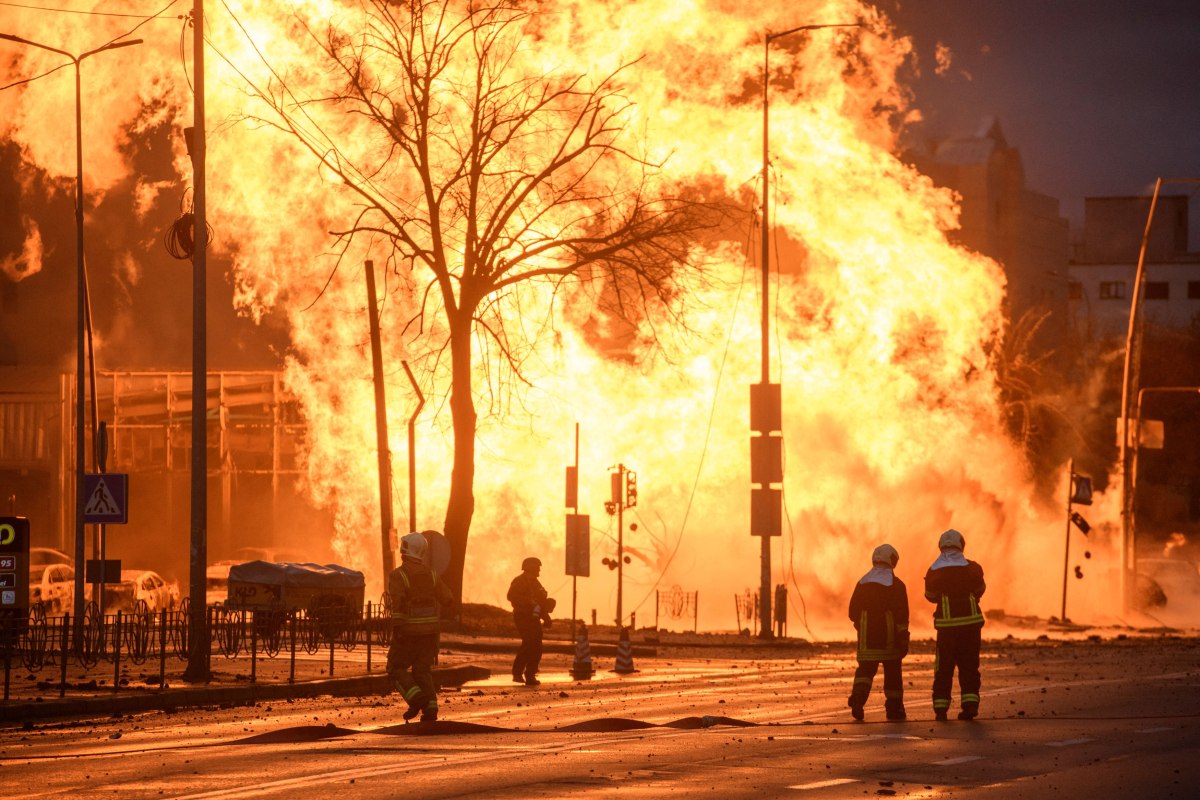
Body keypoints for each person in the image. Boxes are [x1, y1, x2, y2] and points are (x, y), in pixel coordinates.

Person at [387, 531, 456, 723]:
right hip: (430, 635)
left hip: (408, 633)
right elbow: (448, 598)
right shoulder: (432, 574)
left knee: (395, 668)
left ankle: (415, 698)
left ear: (404, 550)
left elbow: (398, 603)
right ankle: (431, 709)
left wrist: (398, 628)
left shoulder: (398, 575)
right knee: (422, 670)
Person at [924, 528, 986, 721]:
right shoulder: (973, 567)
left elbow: (930, 596)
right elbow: (980, 590)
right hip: (971, 626)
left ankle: (941, 709)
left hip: (947, 628)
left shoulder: (934, 570)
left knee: (944, 667)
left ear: (941, 546)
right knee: (969, 666)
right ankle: (970, 706)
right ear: (962, 545)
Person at [847, 543, 909, 721]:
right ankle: (894, 710)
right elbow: (902, 614)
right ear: (892, 562)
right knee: (893, 674)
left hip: (866, 640)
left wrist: (862, 625)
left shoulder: (862, 583)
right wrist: (903, 638)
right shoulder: (897, 585)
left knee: (865, 671)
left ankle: (858, 699)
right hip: (890, 640)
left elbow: (852, 612)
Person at [507, 556, 555, 686]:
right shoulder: (519, 581)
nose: (539, 571)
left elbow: (540, 602)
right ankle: (517, 672)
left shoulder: (535, 583)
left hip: (534, 617)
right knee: (528, 642)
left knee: (537, 645)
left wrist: (546, 618)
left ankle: (530, 675)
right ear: (531, 568)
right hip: (522, 616)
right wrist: (528, 601)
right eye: (537, 568)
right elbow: (511, 596)